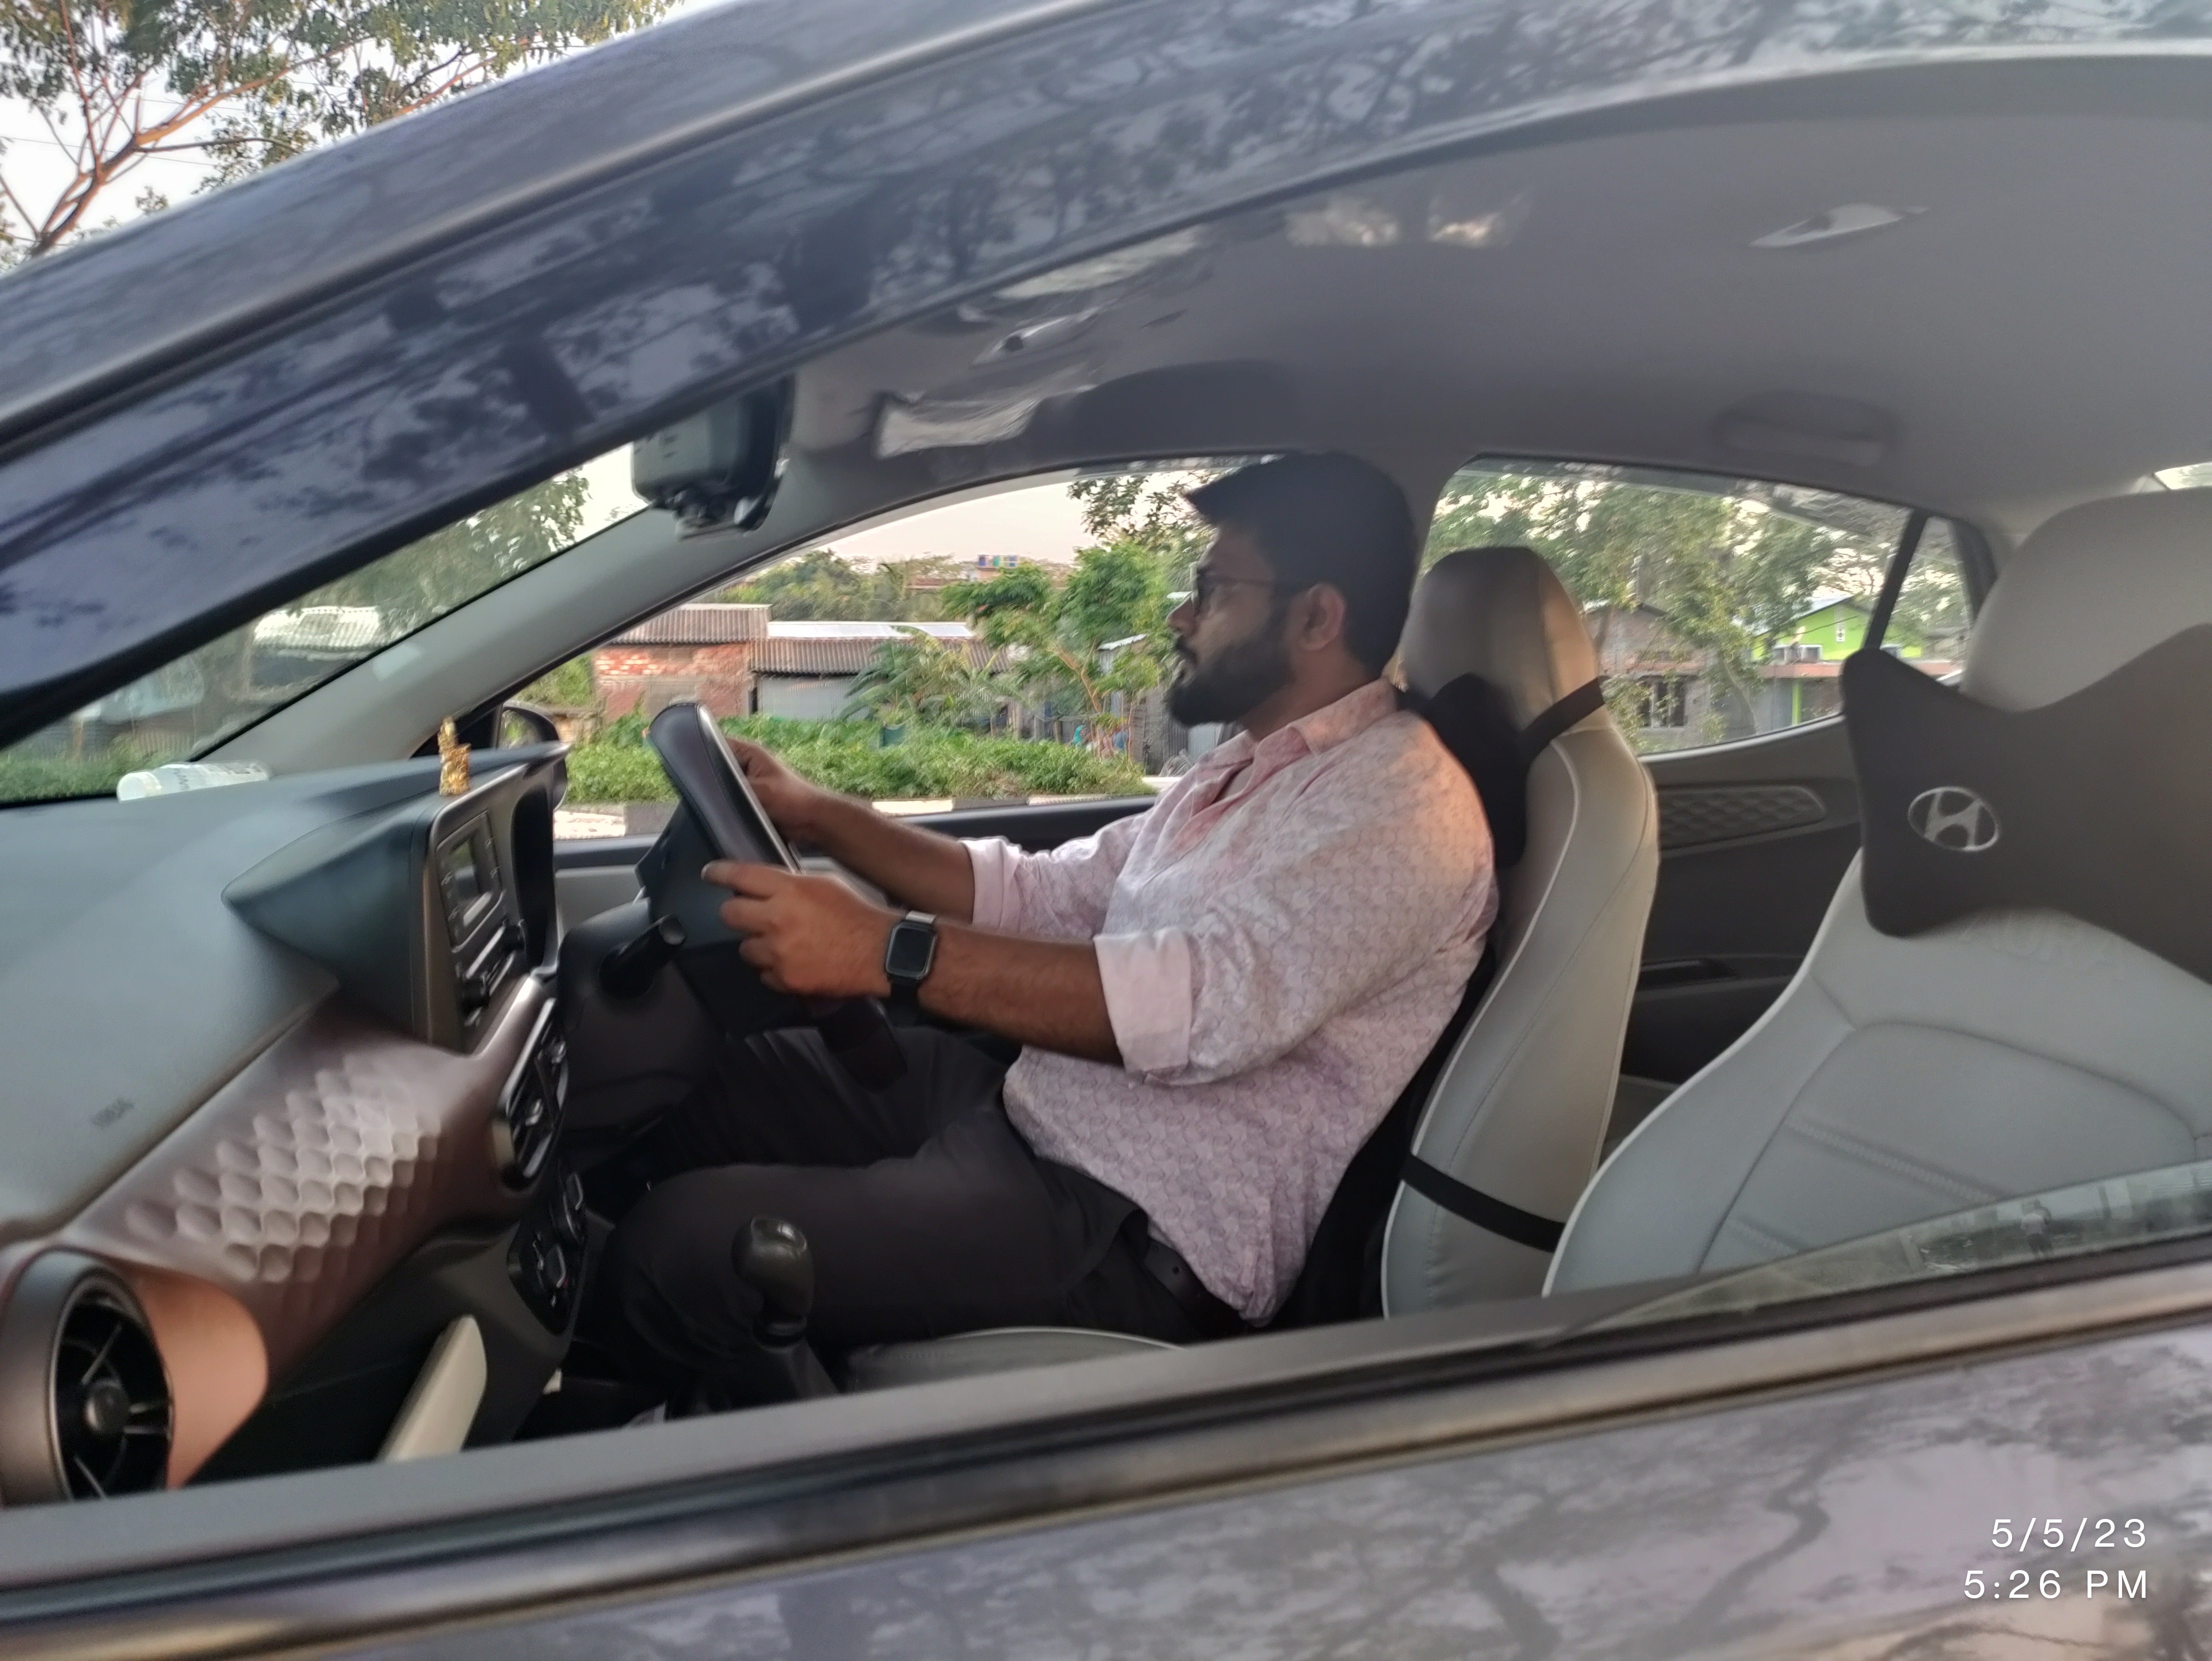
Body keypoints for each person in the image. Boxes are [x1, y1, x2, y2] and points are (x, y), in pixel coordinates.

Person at [600, 453, 1496, 1384]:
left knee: (687, 1247)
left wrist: (880, 949)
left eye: (1211, 586)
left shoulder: (1399, 805)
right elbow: (1043, 893)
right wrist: (818, 813)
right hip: (1032, 1110)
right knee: (701, 1074)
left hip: (1123, 1224)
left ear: (1317, 616)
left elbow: (1196, 1009)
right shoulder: (1247, 770)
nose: (1179, 614)